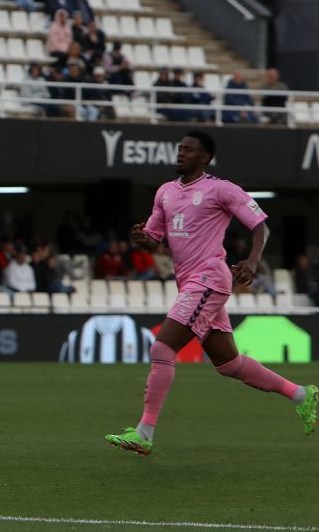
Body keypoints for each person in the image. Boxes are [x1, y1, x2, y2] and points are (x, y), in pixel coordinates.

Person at [106, 130, 318, 455]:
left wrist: (252, 259)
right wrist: (145, 238)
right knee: (229, 364)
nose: (181, 154)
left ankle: (144, 432)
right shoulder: (164, 192)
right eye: (179, 148)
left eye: (188, 150)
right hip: (190, 282)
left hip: (209, 278)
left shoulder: (220, 189)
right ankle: (303, 396)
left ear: (204, 158)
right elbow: (155, 234)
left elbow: (261, 225)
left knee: (162, 349)